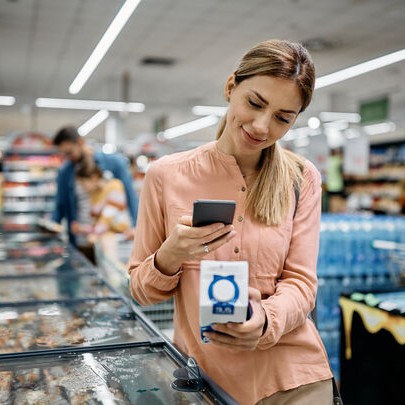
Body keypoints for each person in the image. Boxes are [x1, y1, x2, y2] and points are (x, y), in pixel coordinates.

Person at [128, 39, 333, 405]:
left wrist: (266, 320)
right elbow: (142, 292)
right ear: (230, 87)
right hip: (206, 384)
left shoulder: (302, 178)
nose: (261, 126)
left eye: (283, 118)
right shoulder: (165, 176)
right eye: (255, 103)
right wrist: (169, 256)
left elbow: (302, 283)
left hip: (294, 381)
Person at [51, 126, 138, 260]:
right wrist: (52, 226)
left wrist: (136, 227)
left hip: (112, 238)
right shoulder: (65, 172)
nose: (67, 157)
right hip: (82, 239)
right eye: (63, 154)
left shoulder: (114, 164)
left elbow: (130, 197)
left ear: (80, 143)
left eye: (69, 152)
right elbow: (60, 204)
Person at [73, 155, 132, 244]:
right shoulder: (94, 194)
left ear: (93, 177)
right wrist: (83, 229)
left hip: (120, 239)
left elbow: (107, 217)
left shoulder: (115, 186)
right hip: (104, 240)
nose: (82, 186)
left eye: (83, 182)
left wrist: (93, 232)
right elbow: (97, 222)